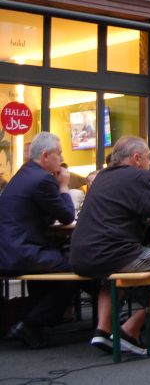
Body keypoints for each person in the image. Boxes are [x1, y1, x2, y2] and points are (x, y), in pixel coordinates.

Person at [70, 136, 150, 356]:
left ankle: (103, 331)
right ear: (136, 158)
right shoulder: (138, 176)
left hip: (80, 256)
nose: (148, 163)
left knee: (115, 276)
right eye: (147, 158)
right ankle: (130, 329)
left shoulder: (102, 176)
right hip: (114, 254)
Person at [0, 132, 80, 349]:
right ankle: (31, 323)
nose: (61, 158)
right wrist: (64, 185)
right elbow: (67, 216)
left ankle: (31, 322)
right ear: (46, 156)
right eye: (59, 153)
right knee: (77, 269)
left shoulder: (23, 174)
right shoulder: (43, 179)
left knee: (52, 270)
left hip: (10, 249)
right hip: (22, 252)